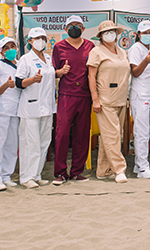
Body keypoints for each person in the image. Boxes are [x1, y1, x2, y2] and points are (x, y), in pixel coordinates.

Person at [51, 15, 95, 184]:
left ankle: (76, 171)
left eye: (78, 25)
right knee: (62, 134)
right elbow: (53, 70)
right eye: (71, 25)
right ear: (65, 29)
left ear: (83, 29)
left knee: (82, 134)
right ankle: (60, 172)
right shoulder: (59, 47)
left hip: (84, 95)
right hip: (66, 95)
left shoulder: (90, 46)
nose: (74, 28)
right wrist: (60, 72)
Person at [87, 20, 130, 183]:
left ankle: (104, 170)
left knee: (112, 136)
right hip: (105, 100)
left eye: (113, 31)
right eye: (106, 32)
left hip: (120, 99)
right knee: (112, 136)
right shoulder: (96, 52)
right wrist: (95, 99)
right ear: (101, 36)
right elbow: (91, 76)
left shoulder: (122, 52)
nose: (110, 34)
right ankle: (120, 170)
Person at [15, 28, 56, 188]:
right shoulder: (25, 59)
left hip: (47, 107)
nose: (41, 41)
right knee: (30, 143)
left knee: (44, 141)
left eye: (43, 38)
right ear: (30, 41)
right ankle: (26, 177)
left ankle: (37, 174)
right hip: (30, 107)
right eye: (37, 38)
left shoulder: (48, 58)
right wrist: (32, 80)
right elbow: (19, 83)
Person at [0, 37, 21, 192]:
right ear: (1, 51)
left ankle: (7, 175)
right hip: (0, 110)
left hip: (16, 110)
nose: (10, 49)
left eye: (13, 46)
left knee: (12, 144)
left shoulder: (20, 65)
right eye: (6, 47)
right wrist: (6, 85)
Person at [128, 20, 150, 178]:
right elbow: (135, 72)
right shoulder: (135, 49)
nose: (148, 35)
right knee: (141, 131)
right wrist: (145, 62)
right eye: (145, 33)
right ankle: (142, 168)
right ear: (138, 35)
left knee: (147, 130)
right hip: (140, 94)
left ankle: (141, 165)